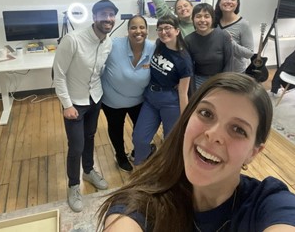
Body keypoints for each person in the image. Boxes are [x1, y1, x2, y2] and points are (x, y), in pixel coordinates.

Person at [97, 72, 295, 232]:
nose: (213, 134)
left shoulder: (269, 203)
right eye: (206, 113)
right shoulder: (146, 200)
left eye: (238, 129)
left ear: (254, 152)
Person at [53, 0, 119, 213]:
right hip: (74, 102)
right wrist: (66, 104)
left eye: (111, 15)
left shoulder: (108, 42)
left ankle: (89, 171)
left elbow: (100, 72)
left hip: (95, 98)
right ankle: (73, 186)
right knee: (76, 146)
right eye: (103, 14)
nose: (108, 19)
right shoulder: (73, 40)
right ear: (94, 16)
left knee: (90, 137)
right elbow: (59, 75)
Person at [132, 14, 193, 166]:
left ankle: (167, 172)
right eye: (160, 29)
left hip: (171, 103)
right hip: (151, 99)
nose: (163, 32)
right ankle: (142, 166)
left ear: (177, 31)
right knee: (139, 138)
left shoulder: (184, 60)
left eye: (167, 28)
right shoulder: (159, 44)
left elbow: (183, 93)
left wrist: (184, 118)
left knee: (170, 142)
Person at [101, 15, 155, 172]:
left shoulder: (152, 48)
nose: (138, 31)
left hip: (139, 100)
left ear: (147, 29)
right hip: (113, 100)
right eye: (133, 27)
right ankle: (120, 155)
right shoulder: (113, 45)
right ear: (128, 30)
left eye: (142, 27)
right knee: (116, 128)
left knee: (142, 131)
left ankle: (137, 152)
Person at [184, 3, 233, 90]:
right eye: (198, 16)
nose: (202, 20)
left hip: (220, 79)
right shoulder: (188, 40)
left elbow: (229, 63)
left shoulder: (223, 36)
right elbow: (189, 68)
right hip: (198, 79)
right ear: (193, 19)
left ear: (212, 19)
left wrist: (224, 85)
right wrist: (192, 90)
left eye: (206, 16)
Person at [214, 0, 254, 73]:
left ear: (237, 4)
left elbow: (249, 53)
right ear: (219, 2)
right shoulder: (214, 21)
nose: (229, 1)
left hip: (235, 73)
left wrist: (231, 43)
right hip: (216, 71)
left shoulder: (243, 24)